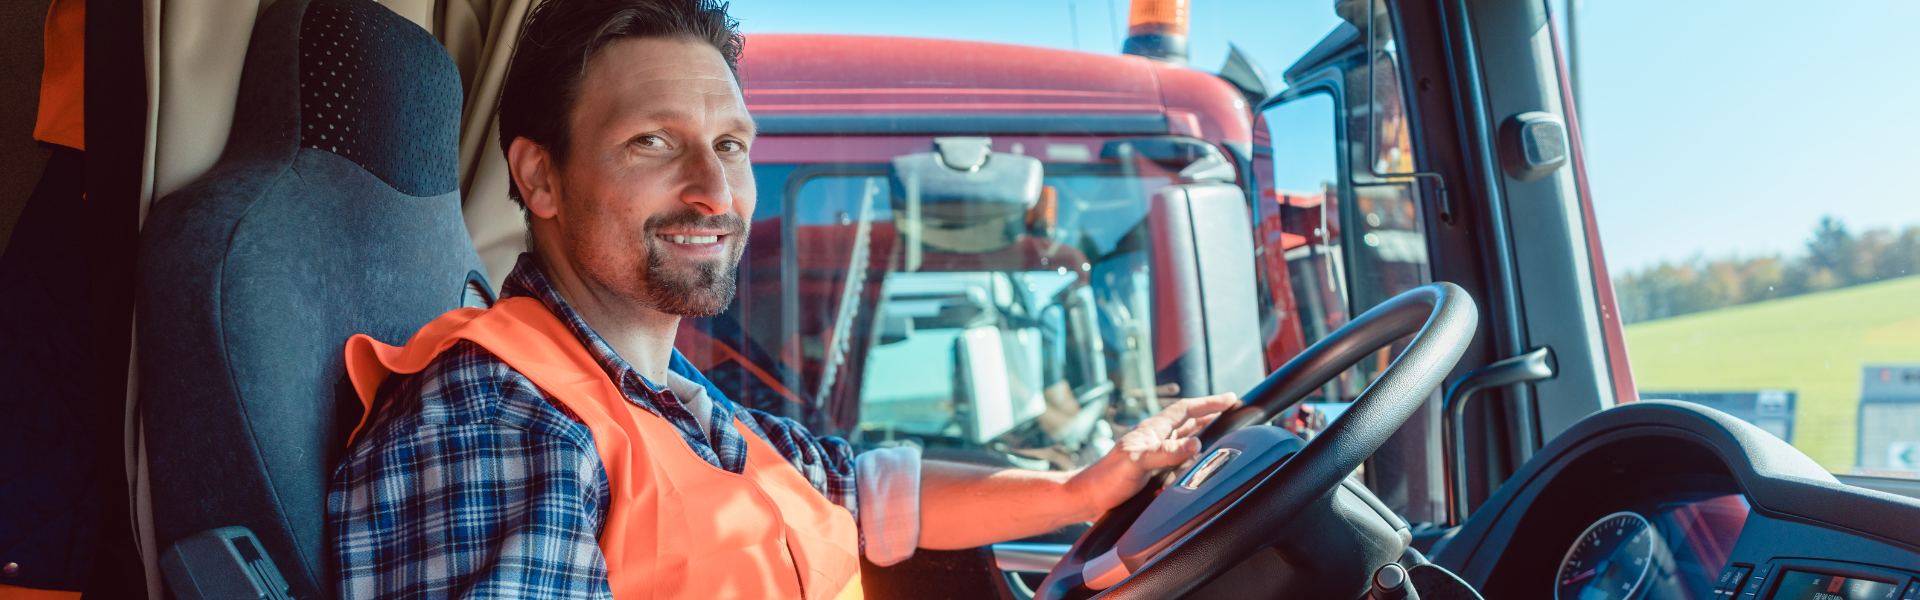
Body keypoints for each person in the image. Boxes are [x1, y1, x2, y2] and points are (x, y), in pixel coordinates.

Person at [327, 0, 1239, 597]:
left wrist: (1083, 487)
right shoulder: (504, 422)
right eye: (654, 142)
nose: (715, 194)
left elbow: (860, 487)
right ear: (541, 178)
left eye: (732, 145)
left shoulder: (670, 401)